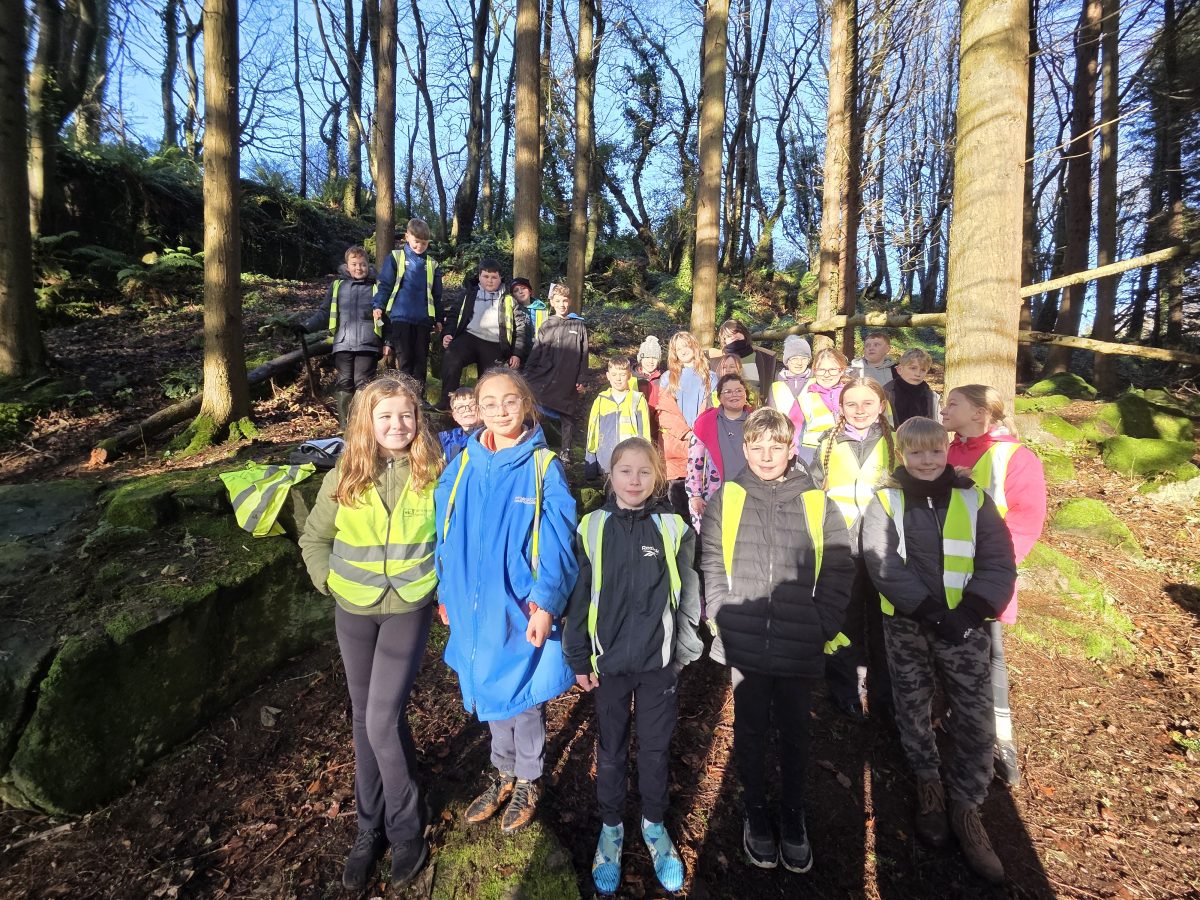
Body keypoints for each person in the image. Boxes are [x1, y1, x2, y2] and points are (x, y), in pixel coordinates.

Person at [298, 373, 444, 890]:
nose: (397, 424)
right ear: (366, 421)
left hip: (408, 606)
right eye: (385, 416)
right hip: (354, 609)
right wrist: (328, 581)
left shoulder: (435, 472)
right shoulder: (346, 473)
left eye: (406, 414)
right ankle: (369, 827)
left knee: (381, 719)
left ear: (418, 418)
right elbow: (314, 538)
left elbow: (451, 537)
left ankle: (407, 829)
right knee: (366, 719)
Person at [860, 417, 1016, 884]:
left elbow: (999, 560)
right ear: (901, 455)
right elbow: (882, 563)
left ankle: (968, 804)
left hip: (965, 628)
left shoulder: (974, 500)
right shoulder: (885, 501)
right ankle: (928, 782)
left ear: (946, 451)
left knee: (974, 713)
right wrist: (929, 611)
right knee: (912, 705)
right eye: (916, 453)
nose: (926, 461)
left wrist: (971, 612)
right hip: (908, 624)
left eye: (934, 451)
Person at [700, 408, 854, 873]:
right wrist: (722, 614)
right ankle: (755, 810)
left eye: (776, 447)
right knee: (748, 731)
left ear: (791, 450)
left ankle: (792, 813)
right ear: (745, 449)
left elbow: (839, 567)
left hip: (799, 640)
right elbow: (711, 560)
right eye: (757, 447)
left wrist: (822, 624)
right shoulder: (726, 498)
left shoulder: (817, 503)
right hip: (744, 639)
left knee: (795, 732)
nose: (766, 456)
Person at [435, 369, 578, 833]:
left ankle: (529, 779)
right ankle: (503, 772)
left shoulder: (543, 467)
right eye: (490, 402)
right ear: (478, 408)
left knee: (525, 695)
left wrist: (547, 602)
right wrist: (445, 592)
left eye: (510, 400)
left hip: (521, 605)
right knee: (490, 686)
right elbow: (444, 535)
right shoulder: (461, 466)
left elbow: (558, 541)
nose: (500, 410)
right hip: (473, 605)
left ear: (526, 404)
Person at [564, 437, 702, 895]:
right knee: (611, 748)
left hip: (658, 664)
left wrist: (684, 649)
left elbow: (689, 591)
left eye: (645, 472)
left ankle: (654, 824)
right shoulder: (591, 526)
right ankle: (611, 828)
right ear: (611, 475)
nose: (635, 480)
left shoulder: (673, 527)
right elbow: (579, 595)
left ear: (657, 477)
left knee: (656, 748)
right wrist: (578, 655)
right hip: (608, 665)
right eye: (625, 471)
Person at [942, 384, 1047, 787]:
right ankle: (954, 721)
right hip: (944, 576)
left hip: (984, 581)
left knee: (991, 657)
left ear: (980, 412)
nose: (944, 409)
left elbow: (1026, 520)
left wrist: (995, 573)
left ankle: (1000, 744)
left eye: (953, 403)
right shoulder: (947, 450)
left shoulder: (1014, 458)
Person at [809, 378, 897, 723]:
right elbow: (814, 492)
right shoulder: (828, 443)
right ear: (840, 408)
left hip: (885, 547)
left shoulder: (896, 441)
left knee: (883, 623)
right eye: (851, 404)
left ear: (881, 406)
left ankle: (884, 693)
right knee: (843, 620)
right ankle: (846, 691)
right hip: (840, 547)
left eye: (867, 403)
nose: (859, 411)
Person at [297, 245, 382, 427]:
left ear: (368, 265)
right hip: (343, 343)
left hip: (368, 344)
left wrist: (388, 342)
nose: (359, 268)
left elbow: (386, 317)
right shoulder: (337, 286)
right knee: (344, 382)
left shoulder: (377, 287)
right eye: (354, 264)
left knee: (363, 382)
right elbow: (324, 313)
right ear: (347, 266)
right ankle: (345, 427)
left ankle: (362, 426)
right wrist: (306, 327)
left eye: (362, 264)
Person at [436, 258, 527, 410]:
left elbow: (520, 328)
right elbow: (454, 315)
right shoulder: (469, 294)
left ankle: (485, 409)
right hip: (469, 337)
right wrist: (447, 334)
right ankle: (447, 402)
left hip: (495, 343)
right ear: (479, 276)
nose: (489, 281)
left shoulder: (509, 299)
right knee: (452, 356)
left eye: (494, 277)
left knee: (489, 379)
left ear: (500, 278)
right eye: (486, 276)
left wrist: (517, 353)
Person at [373, 218, 443, 396]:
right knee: (404, 359)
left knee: (421, 359)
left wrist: (438, 318)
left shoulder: (432, 264)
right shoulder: (396, 257)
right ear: (407, 237)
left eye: (424, 243)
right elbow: (385, 285)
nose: (420, 246)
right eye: (416, 242)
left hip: (423, 319)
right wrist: (378, 304)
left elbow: (437, 295)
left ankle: (419, 397)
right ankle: (405, 395)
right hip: (400, 316)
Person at [524, 284, 588, 461]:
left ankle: (566, 451)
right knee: (533, 408)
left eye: (565, 300)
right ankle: (532, 445)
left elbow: (584, 354)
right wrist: (526, 374)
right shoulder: (547, 324)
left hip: (568, 378)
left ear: (570, 301)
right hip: (545, 376)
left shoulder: (579, 325)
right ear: (552, 302)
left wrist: (582, 378)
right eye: (558, 301)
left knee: (567, 415)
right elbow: (537, 350)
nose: (562, 304)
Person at [656, 331, 716, 519]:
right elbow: (665, 412)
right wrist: (686, 433)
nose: (683, 350)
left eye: (686, 345)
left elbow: (713, 409)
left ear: (694, 347)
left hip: (703, 446)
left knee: (704, 507)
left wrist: (699, 433)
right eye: (678, 348)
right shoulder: (668, 378)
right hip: (677, 447)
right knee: (678, 506)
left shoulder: (710, 377)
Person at [685, 373, 753, 532]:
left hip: (750, 495)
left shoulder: (756, 420)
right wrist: (695, 495)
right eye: (727, 391)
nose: (734, 395)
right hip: (717, 496)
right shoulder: (706, 422)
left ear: (745, 394)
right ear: (719, 397)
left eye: (739, 390)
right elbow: (695, 461)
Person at [584, 356, 653, 480]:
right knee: (609, 492)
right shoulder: (600, 400)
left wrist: (645, 461)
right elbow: (592, 434)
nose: (618, 378)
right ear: (608, 376)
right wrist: (590, 462)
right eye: (614, 374)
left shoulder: (638, 400)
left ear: (629, 376)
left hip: (630, 463)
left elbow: (644, 434)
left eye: (622, 374)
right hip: (606, 462)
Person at [795, 348, 849, 465]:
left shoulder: (852, 394)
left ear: (842, 370)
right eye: (821, 370)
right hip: (810, 454)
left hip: (845, 451)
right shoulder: (805, 396)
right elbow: (794, 430)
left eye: (832, 370)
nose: (826, 375)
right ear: (814, 371)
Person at [715, 319, 778, 399]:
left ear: (744, 333)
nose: (734, 336)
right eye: (729, 336)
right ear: (724, 341)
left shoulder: (761, 357)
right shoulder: (720, 361)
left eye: (736, 332)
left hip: (755, 404)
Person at [885, 349, 939, 427]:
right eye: (913, 368)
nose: (918, 374)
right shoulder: (887, 393)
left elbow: (937, 424)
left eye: (923, 370)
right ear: (899, 370)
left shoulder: (932, 397)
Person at [769, 335, 812, 431]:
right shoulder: (776, 385)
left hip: (811, 435)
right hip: (783, 433)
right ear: (787, 361)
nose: (799, 363)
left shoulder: (815, 381)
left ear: (809, 360)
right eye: (794, 358)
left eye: (804, 358)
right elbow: (771, 414)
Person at [438, 387, 481, 462]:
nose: (467, 410)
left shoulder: (494, 436)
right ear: (454, 416)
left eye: (473, 405)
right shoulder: (447, 440)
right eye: (460, 407)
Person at [635, 336, 663, 438]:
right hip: (636, 430)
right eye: (647, 357)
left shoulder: (664, 379)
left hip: (657, 430)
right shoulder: (631, 378)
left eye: (654, 358)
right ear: (641, 359)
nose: (651, 361)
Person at [513, 277, 549, 344]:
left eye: (523, 288)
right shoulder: (511, 311)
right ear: (513, 295)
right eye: (516, 290)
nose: (520, 292)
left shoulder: (541, 309)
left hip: (538, 347)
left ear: (530, 291)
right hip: (517, 348)